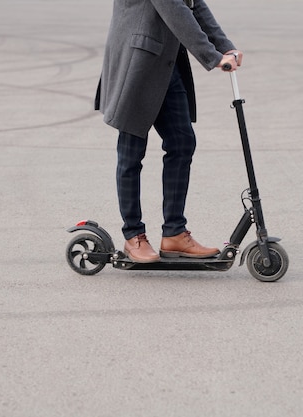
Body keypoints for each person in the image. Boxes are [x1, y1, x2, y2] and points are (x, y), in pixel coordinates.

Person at [95, 0, 243, 263]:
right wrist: (212, 56)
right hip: (137, 60)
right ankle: (133, 235)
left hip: (165, 62)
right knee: (132, 151)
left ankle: (174, 232)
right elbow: (174, 9)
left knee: (182, 143)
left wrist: (225, 46)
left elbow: (193, 5)